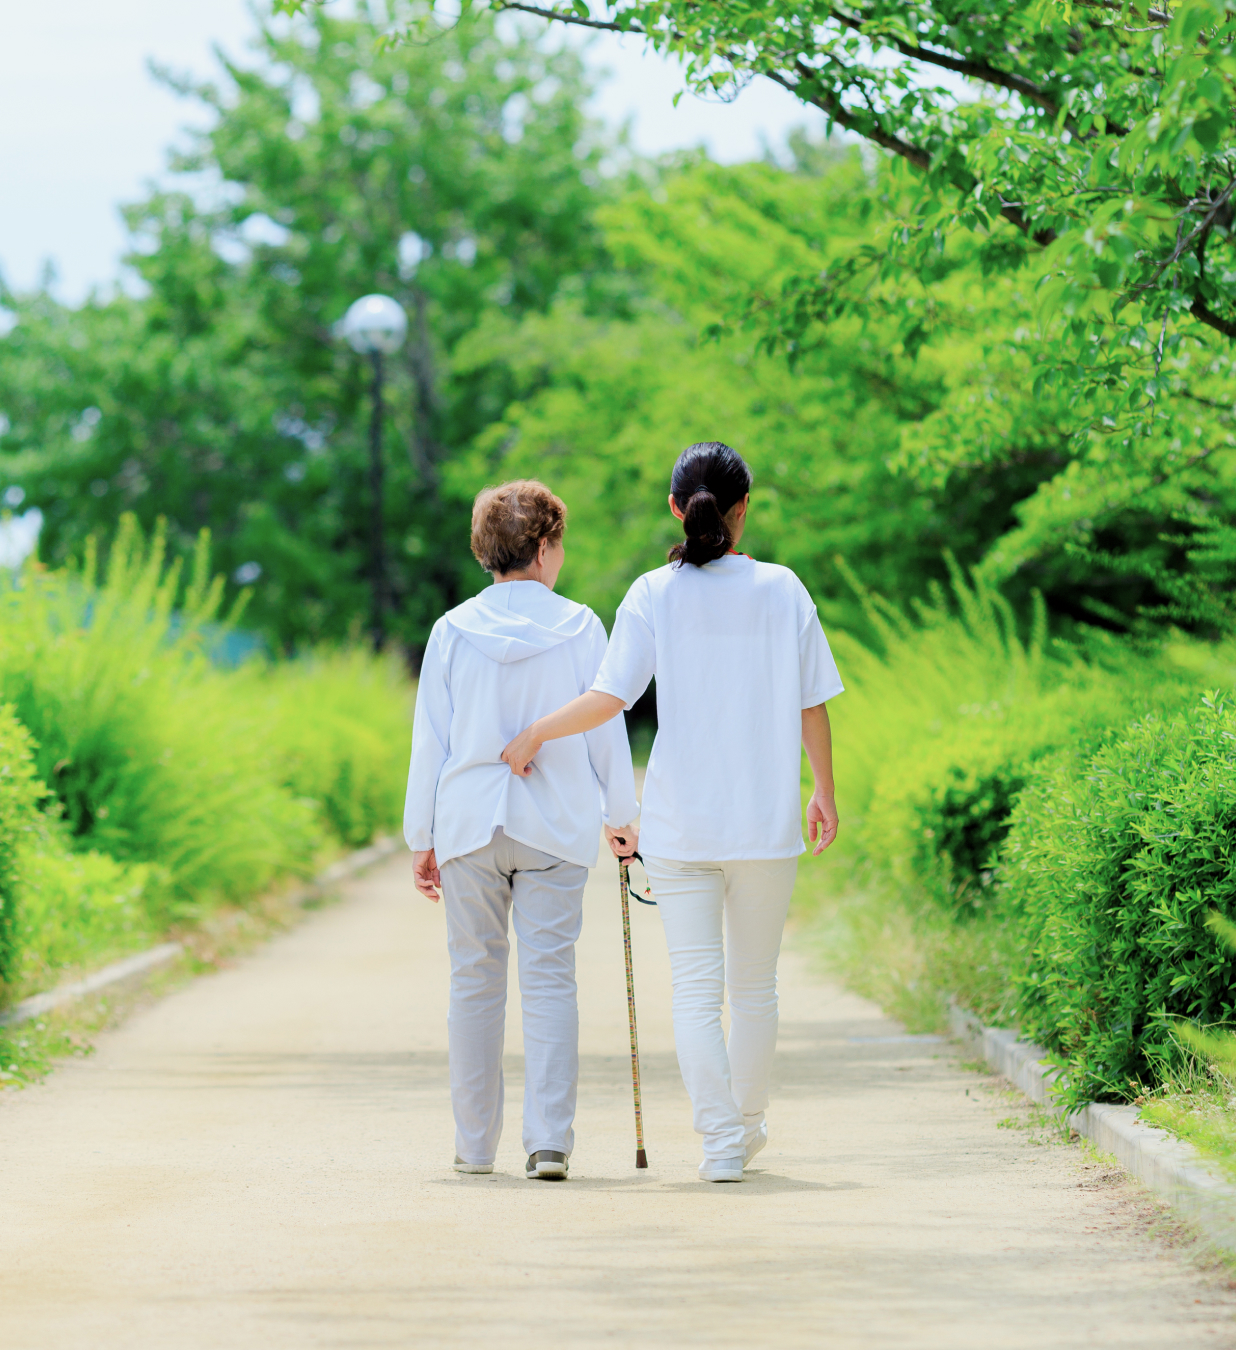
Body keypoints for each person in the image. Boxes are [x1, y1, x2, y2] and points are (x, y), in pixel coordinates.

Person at [501, 442, 842, 1183]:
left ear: (674, 508)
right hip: (765, 822)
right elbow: (812, 701)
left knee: (696, 991)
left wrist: (535, 732)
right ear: (743, 508)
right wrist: (823, 790)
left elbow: (609, 698)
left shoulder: (654, 592)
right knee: (755, 988)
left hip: (682, 824)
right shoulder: (784, 589)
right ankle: (743, 1129)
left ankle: (722, 1143)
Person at [404, 479, 639, 1181]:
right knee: (550, 978)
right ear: (542, 549)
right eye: (559, 544)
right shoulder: (581, 626)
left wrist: (422, 836)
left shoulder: (451, 630)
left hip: (469, 823)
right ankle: (549, 1143)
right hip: (555, 822)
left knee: (474, 981)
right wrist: (620, 815)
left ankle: (475, 1145)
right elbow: (606, 727)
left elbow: (430, 741)